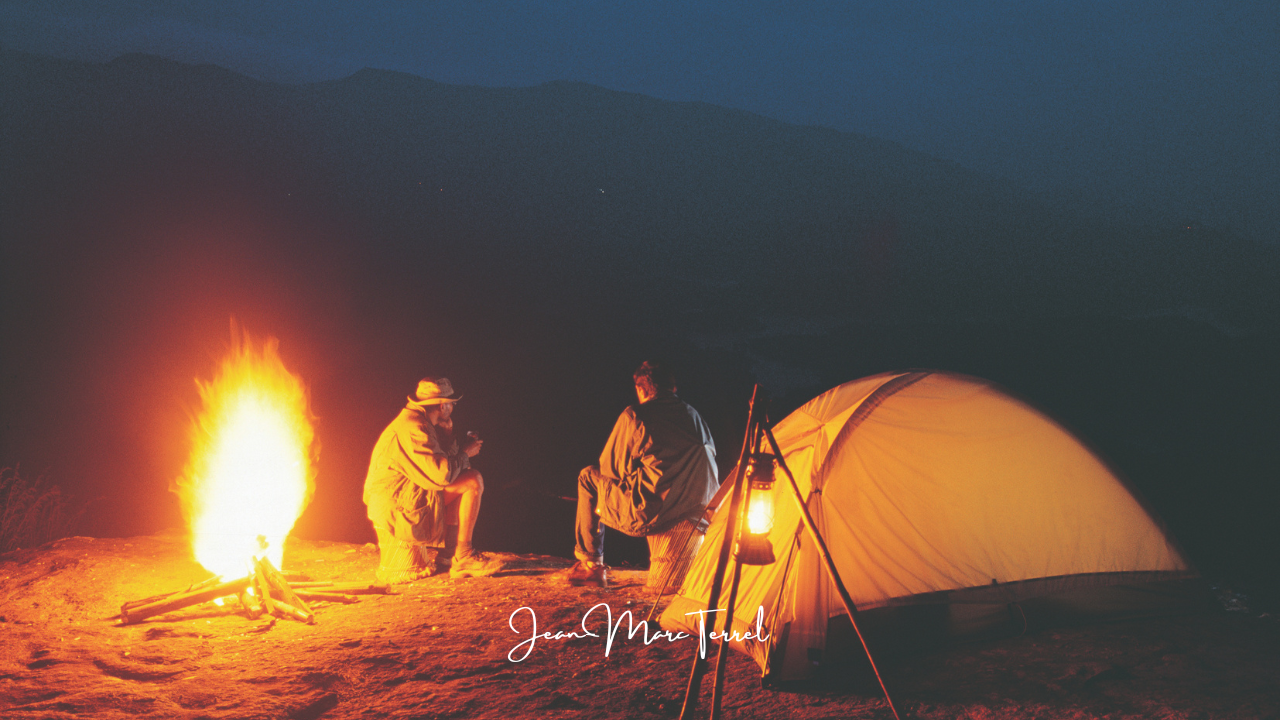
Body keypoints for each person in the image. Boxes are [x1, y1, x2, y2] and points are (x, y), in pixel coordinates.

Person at [559, 360, 719, 586]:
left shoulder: (635, 415)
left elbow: (611, 470)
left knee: (588, 477)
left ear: (641, 389)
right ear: (673, 389)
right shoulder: (695, 417)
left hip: (655, 512)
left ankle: (591, 564)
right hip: (700, 511)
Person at [363, 377, 504, 582]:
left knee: (464, 479)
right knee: (473, 480)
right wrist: (465, 452)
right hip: (398, 507)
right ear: (442, 405)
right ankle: (463, 556)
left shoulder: (419, 422)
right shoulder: (414, 428)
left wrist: (448, 438)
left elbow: (445, 470)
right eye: (451, 403)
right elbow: (443, 476)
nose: (453, 407)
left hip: (405, 498)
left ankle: (449, 555)